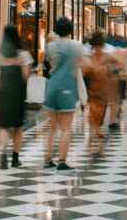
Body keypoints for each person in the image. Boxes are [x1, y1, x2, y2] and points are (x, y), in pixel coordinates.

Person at [43, 17, 83, 171]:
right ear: (71, 30)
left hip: (52, 86)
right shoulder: (76, 46)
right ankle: (62, 161)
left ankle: (47, 159)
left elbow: (48, 63)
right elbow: (79, 64)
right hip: (67, 86)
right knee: (66, 127)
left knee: (51, 127)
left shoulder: (50, 46)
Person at [0, 25, 31, 169]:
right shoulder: (23, 55)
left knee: (4, 125)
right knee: (18, 126)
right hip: (18, 93)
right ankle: (15, 158)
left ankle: (3, 155)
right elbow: (25, 75)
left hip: (4, 92)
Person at [81, 30, 121, 155]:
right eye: (97, 46)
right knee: (93, 114)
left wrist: (112, 72)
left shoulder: (105, 56)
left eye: (100, 46)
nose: (99, 48)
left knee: (100, 114)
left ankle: (96, 132)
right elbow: (83, 72)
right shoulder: (90, 57)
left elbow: (118, 65)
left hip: (102, 90)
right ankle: (91, 142)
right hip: (94, 90)